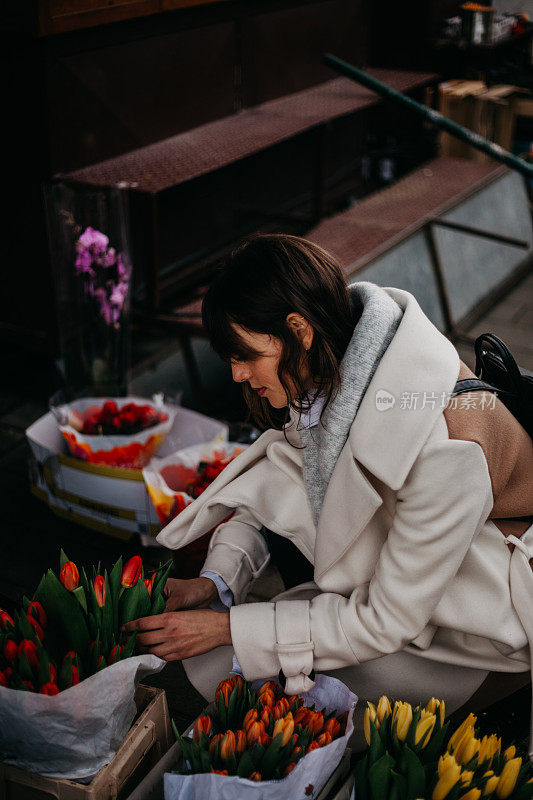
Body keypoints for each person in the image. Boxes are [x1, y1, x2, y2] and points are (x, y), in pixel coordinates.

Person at [124, 233, 533, 749]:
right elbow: (279, 477)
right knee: (218, 666)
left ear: (298, 329)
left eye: (246, 354)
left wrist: (230, 628)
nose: (236, 374)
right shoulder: (341, 364)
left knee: (245, 686)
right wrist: (218, 584)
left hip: (473, 630)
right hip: (407, 594)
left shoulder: (445, 452)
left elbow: (385, 623)